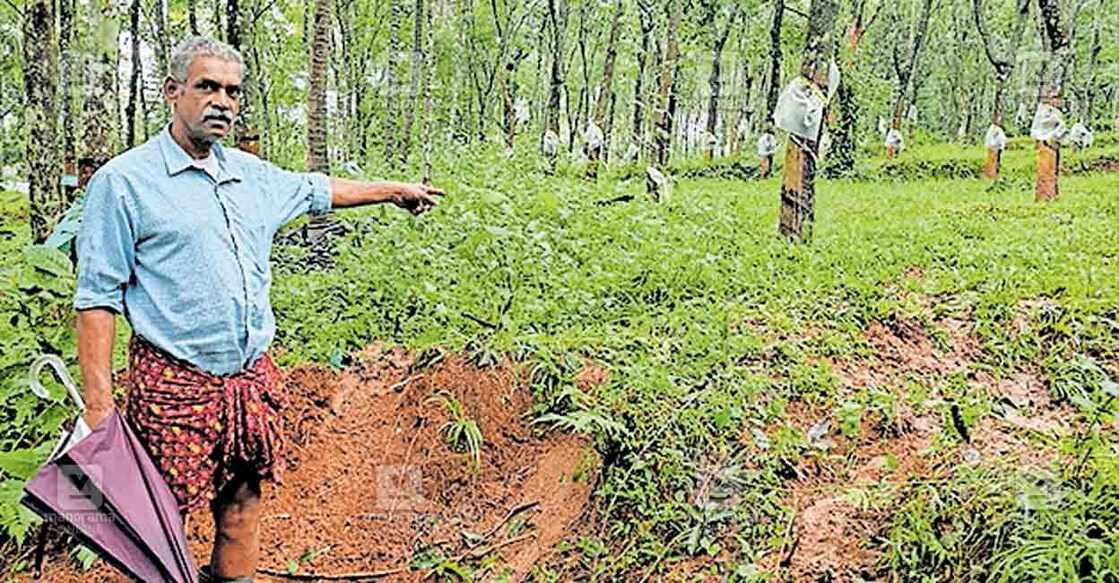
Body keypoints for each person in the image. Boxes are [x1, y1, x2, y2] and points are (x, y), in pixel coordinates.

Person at [73, 36, 442, 583]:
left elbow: (322, 190)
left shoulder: (253, 177)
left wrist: (394, 190)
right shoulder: (125, 183)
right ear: (173, 92)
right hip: (174, 386)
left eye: (232, 91)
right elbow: (97, 297)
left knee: (242, 507)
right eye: (207, 87)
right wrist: (99, 408)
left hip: (247, 381)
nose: (221, 101)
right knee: (156, 523)